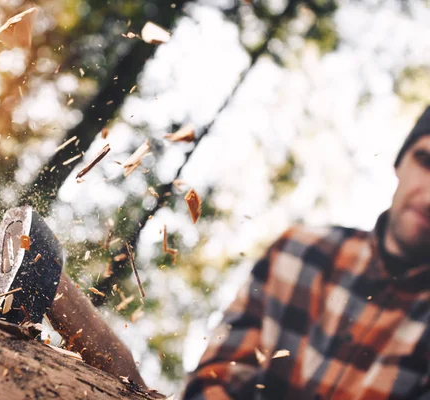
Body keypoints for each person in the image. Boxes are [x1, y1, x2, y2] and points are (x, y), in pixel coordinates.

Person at [182, 105, 430, 399]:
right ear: (400, 162)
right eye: (425, 161)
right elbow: (215, 377)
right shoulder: (296, 253)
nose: (428, 196)